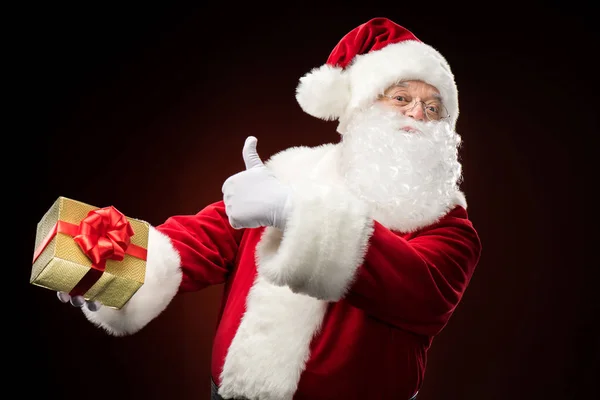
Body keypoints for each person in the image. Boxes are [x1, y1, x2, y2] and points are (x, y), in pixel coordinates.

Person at [56, 17, 482, 400]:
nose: (416, 115)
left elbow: (419, 291)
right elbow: (206, 238)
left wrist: (298, 214)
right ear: (363, 108)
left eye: (433, 107)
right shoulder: (292, 172)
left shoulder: (450, 227)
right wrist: (112, 267)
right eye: (400, 97)